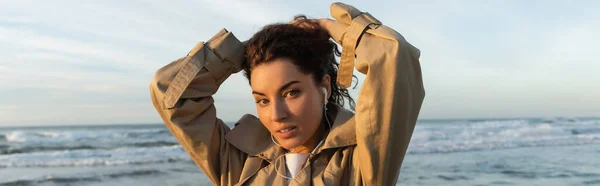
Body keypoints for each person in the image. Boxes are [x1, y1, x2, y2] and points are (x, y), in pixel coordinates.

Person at [150, 2, 424, 186]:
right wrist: (245, 50)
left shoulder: (363, 160)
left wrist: (326, 27)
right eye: (263, 100)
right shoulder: (238, 163)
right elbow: (171, 92)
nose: (277, 115)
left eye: (291, 92)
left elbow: (393, 56)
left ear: (324, 88)